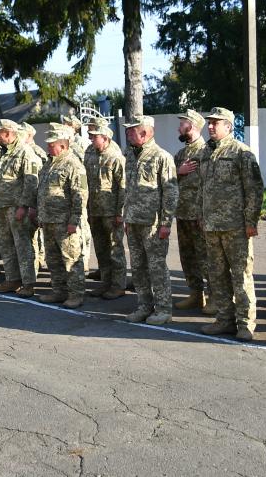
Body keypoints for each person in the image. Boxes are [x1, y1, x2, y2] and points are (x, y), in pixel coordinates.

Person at [197, 107, 264, 340]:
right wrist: (200, 214)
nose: (211, 126)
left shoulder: (241, 153)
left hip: (236, 226)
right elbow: (202, 187)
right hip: (212, 225)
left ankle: (246, 324)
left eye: (217, 123)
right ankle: (225, 319)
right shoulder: (206, 151)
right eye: (210, 123)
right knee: (217, 275)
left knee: (241, 276)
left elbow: (254, 189)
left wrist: (251, 221)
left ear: (229, 126)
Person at [122, 116, 179, 325]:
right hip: (134, 221)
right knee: (137, 267)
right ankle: (144, 306)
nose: (127, 134)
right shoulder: (129, 154)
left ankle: (164, 309)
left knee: (156, 268)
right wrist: (126, 217)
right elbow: (128, 189)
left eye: (131, 131)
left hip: (153, 224)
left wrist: (165, 223)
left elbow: (170, 193)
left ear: (145, 133)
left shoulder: (161, 157)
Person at [31, 128, 88, 308]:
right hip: (48, 220)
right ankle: (59, 291)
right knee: (53, 259)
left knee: (71, 259)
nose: (48, 147)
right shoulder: (49, 163)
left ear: (63, 145)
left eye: (52, 145)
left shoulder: (74, 165)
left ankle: (76, 294)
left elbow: (81, 195)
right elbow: (42, 191)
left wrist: (74, 220)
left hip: (64, 222)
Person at [0, 119, 41, 296]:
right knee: (5, 245)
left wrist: (24, 206)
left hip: (16, 207)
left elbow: (30, 182)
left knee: (22, 245)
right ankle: (12, 279)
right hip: (2, 206)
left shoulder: (24, 152)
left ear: (8, 133)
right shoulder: (3, 153)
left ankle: (28, 283)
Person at [84, 124, 127, 299]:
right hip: (94, 210)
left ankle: (118, 285)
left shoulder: (115, 157)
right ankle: (106, 282)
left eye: (95, 136)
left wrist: (120, 212)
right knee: (101, 249)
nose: (91, 139)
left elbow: (123, 187)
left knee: (115, 250)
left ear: (105, 138)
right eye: (91, 136)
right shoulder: (91, 155)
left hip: (111, 212)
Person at [173, 110, 208, 313]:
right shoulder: (181, 154)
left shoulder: (205, 152)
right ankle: (196, 295)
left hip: (198, 215)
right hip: (183, 213)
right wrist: (179, 172)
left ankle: (216, 297)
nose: (179, 128)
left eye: (182, 124)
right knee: (188, 257)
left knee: (206, 258)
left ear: (193, 126)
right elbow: (170, 181)